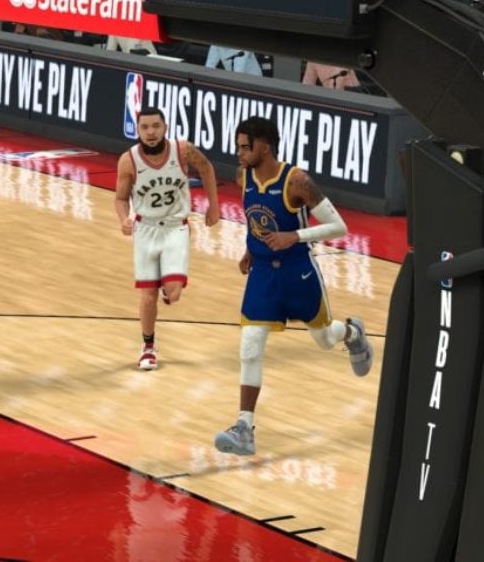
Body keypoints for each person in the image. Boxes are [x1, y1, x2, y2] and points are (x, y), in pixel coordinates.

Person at [213, 117, 373, 456]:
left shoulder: (296, 180)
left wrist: (295, 236)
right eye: (238, 146)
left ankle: (352, 333)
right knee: (250, 344)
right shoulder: (243, 176)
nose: (239, 153)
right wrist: (250, 249)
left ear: (264, 146)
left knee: (324, 339)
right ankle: (244, 428)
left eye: (245, 147)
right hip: (262, 275)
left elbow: (339, 227)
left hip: (298, 270)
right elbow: (257, 219)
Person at [113, 107, 218, 371]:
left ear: (165, 127)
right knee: (147, 295)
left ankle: (166, 285)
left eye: (156, 126)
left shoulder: (183, 150)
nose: (151, 132)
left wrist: (214, 206)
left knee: (174, 293)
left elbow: (206, 168)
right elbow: (120, 198)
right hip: (145, 229)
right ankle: (148, 347)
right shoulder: (128, 160)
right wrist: (124, 219)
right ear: (138, 131)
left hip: (175, 227)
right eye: (145, 127)